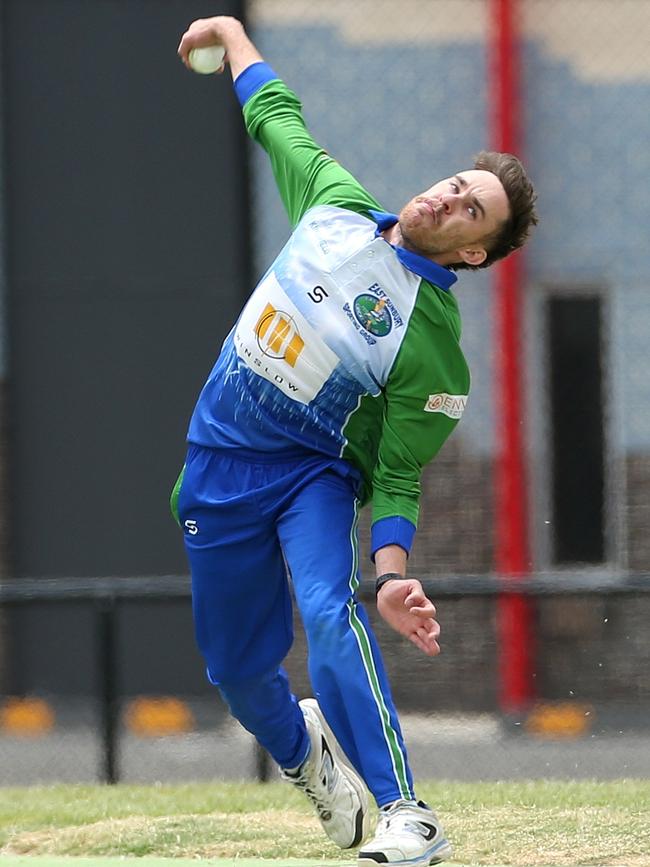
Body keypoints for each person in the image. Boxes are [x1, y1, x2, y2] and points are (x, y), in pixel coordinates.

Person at [174, 15, 538, 867]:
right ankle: (305, 755)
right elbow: (276, 116)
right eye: (457, 181)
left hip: (311, 475)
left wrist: (394, 576)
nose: (450, 195)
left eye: (471, 207)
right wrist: (232, 32)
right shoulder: (334, 203)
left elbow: (399, 475)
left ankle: (409, 814)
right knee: (235, 672)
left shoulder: (433, 348)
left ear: (476, 251)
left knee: (332, 614)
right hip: (217, 461)